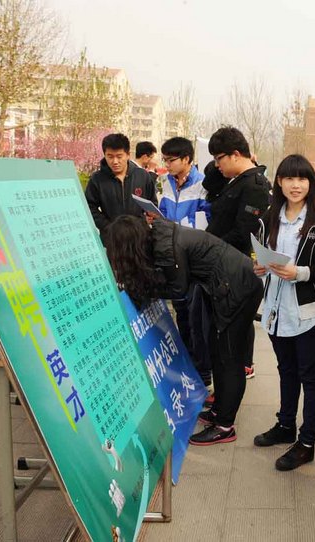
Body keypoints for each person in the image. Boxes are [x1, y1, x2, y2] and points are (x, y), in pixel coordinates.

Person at [104, 215, 263, 445]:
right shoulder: (158, 237)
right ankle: (219, 410)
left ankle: (225, 426)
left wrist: (142, 289)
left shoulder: (166, 247)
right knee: (217, 351)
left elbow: (178, 289)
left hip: (239, 287)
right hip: (225, 284)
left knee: (229, 358)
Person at [251, 155, 315, 471]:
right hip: (276, 309)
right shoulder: (269, 217)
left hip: (306, 312)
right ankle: (285, 424)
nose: (296, 185)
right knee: (286, 370)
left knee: (310, 375)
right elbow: (262, 255)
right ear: (279, 182)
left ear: (311, 183)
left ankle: (307, 442)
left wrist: (300, 273)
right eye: (289, 178)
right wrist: (260, 266)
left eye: (302, 179)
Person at [204, 126, 270, 379]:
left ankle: (242, 366)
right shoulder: (234, 179)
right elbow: (209, 183)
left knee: (234, 326)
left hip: (234, 265)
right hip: (220, 262)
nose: (216, 165)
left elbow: (244, 232)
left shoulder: (255, 185)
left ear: (235, 155)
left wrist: (208, 245)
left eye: (219, 158)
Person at [158, 136, 213, 387]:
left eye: (171, 160)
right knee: (181, 311)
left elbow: (206, 220)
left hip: (193, 258)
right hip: (172, 256)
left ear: (187, 159)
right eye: (165, 160)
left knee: (196, 318)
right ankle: (188, 369)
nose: (167, 165)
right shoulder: (166, 182)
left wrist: (180, 228)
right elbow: (164, 212)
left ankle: (203, 374)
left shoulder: (202, 184)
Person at [85, 133, 158, 244]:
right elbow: (89, 207)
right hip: (111, 240)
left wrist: (145, 220)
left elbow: (152, 203)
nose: (115, 161)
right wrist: (108, 227)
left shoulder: (142, 176)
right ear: (104, 155)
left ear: (128, 155)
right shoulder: (97, 179)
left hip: (139, 239)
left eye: (119, 156)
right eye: (110, 156)